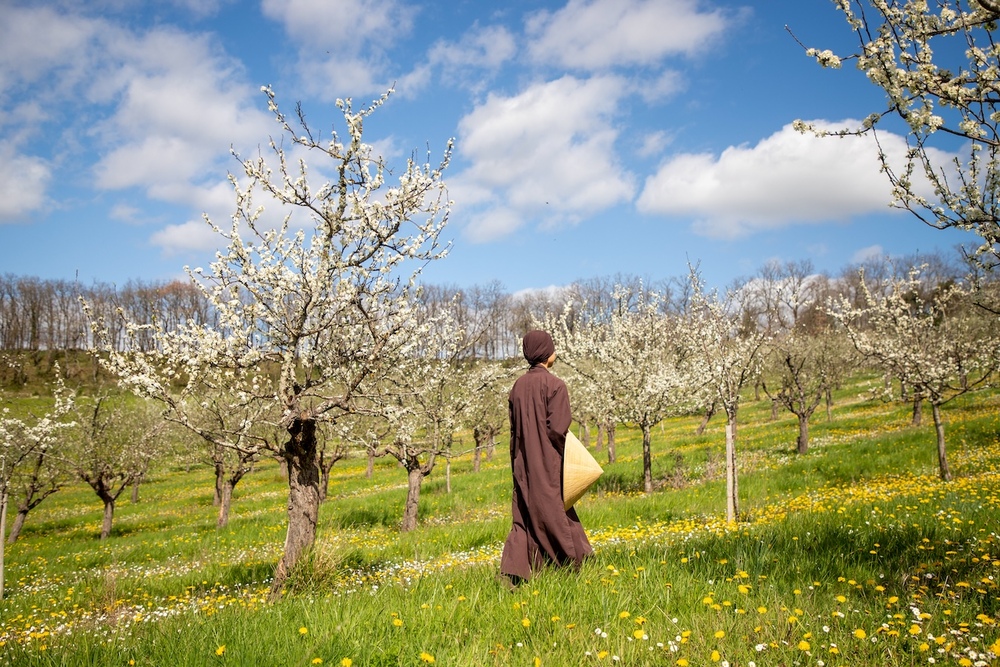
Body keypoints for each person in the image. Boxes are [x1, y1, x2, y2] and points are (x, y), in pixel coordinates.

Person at [500, 329, 593, 585]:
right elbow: (557, 429)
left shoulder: (517, 387)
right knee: (555, 511)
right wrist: (571, 457)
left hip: (522, 461)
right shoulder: (555, 385)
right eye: (553, 348)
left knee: (524, 513)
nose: (556, 353)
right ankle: (569, 564)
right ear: (546, 353)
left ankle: (516, 572)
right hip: (549, 461)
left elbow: (514, 428)